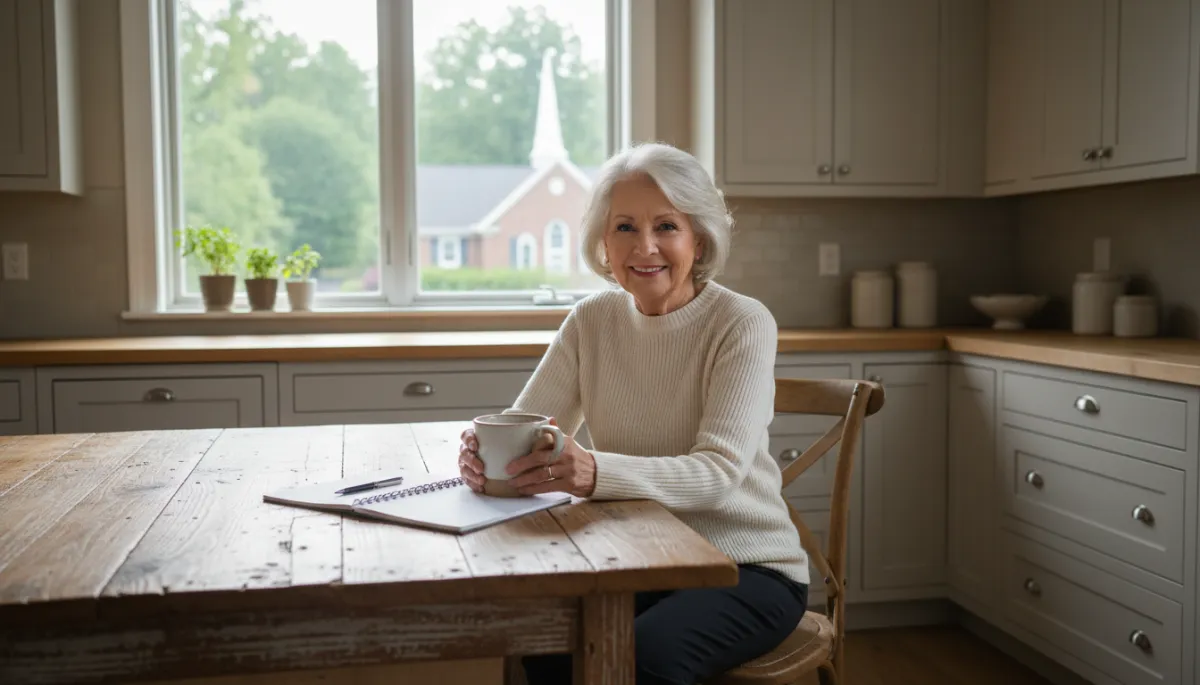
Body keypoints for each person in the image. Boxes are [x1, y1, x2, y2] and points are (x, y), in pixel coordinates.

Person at [457, 142, 809, 685]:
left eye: (666, 226)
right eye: (625, 227)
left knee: (644, 656)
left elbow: (717, 475)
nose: (645, 247)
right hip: (632, 556)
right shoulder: (591, 320)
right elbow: (528, 427)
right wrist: (486, 456)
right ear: (604, 241)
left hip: (746, 567)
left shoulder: (741, 322)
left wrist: (593, 472)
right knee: (547, 639)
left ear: (699, 237)